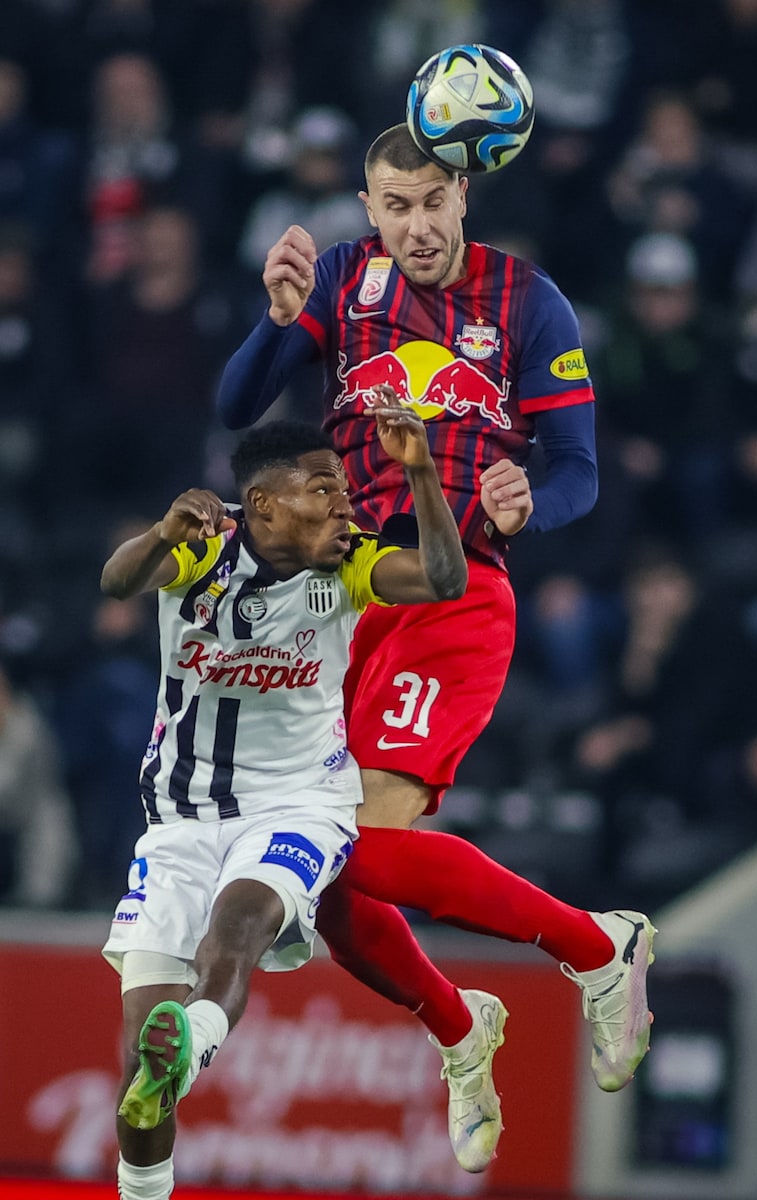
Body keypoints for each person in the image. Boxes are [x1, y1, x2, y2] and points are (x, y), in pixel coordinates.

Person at [216, 121, 657, 1169]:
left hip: (457, 594)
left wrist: (525, 501)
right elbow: (236, 408)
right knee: (325, 886)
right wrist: (274, 323)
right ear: (369, 211)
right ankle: (463, 1031)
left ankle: (598, 949)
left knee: (350, 844)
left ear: (465, 198)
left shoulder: (525, 302)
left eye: (432, 203)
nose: (416, 226)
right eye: (395, 206)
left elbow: (577, 470)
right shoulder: (337, 282)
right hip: (346, 600)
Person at [102, 392, 471, 1200]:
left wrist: (422, 478)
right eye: (323, 489)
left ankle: (194, 1045)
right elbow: (116, 580)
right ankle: (146, 1178)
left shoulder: (353, 566)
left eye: (343, 489)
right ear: (262, 505)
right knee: (134, 1064)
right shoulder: (204, 550)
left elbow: (445, 579)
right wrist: (164, 532)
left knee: (238, 925)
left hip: (301, 803)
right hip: (180, 818)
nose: (345, 503)